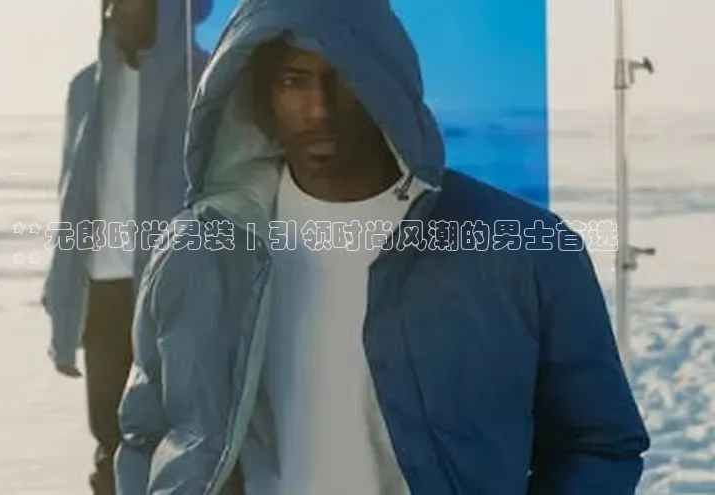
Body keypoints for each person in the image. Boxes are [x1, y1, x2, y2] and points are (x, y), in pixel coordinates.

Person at [115, 0, 651, 493]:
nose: (318, 109)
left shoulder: (525, 248)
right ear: (258, 97)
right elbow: (147, 435)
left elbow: (598, 442)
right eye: (293, 81)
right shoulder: (197, 251)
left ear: (387, 85)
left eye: (344, 76)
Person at [40, 0, 211, 493]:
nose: (120, 9)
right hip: (104, 291)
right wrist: (62, 301)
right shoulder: (86, 88)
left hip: (177, 289)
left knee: (181, 442)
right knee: (110, 441)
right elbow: (72, 198)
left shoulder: (207, 80)